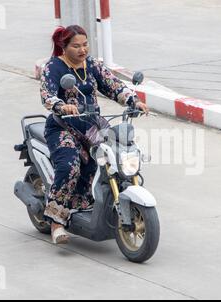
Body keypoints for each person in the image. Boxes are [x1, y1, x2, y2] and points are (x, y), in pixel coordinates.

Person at [40, 25, 148, 244]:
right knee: (70, 165)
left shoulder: (92, 65)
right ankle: (56, 222)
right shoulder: (53, 67)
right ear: (64, 47)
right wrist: (61, 105)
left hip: (91, 124)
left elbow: (113, 85)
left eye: (85, 44)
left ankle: (99, 202)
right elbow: (47, 95)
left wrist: (132, 100)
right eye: (76, 46)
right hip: (63, 126)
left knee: (116, 156)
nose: (83, 50)